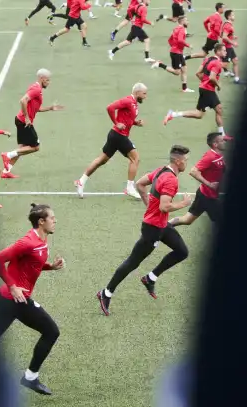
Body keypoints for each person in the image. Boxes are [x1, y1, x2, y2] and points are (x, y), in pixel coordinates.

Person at [96, 145, 193, 316]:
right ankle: (106, 293)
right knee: (133, 262)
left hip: (161, 225)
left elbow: (140, 184)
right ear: (178, 161)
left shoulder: (161, 170)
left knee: (182, 251)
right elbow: (164, 207)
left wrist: (149, 205)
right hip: (153, 229)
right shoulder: (171, 180)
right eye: (186, 160)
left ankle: (150, 278)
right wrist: (183, 204)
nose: (187, 163)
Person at [0, 204, 65, 396]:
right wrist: (13, 286)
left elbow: (33, 264)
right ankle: (30, 377)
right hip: (16, 300)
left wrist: (50, 267)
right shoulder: (27, 242)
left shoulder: (41, 240)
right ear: (41, 221)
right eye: (52, 218)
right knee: (51, 331)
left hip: (8, 298)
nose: (55, 221)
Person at [74, 83, 148, 199]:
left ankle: (81, 181)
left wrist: (135, 123)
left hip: (115, 136)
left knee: (101, 160)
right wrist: (116, 123)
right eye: (144, 93)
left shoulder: (134, 103)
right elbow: (110, 108)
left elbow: (127, 117)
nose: (145, 96)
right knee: (135, 159)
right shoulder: (128, 101)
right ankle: (129, 187)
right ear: (137, 92)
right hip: (119, 136)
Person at [0, 69, 64, 179]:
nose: (49, 82)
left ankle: (6, 171)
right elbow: (23, 101)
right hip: (24, 122)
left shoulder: (36, 88)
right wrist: (27, 118)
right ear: (42, 78)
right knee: (35, 147)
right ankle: (7, 155)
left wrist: (50, 108)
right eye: (48, 80)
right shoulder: (36, 89)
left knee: (21, 148)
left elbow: (36, 108)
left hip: (20, 120)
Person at [162, 44, 232, 140]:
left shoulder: (208, 59)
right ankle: (222, 135)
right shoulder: (217, 63)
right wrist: (218, 85)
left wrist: (204, 82)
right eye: (224, 50)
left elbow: (198, 73)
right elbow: (212, 77)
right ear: (218, 52)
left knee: (202, 114)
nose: (226, 52)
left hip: (204, 88)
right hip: (208, 90)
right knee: (216, 110)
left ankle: (173, 114)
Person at [169, 132, 225, 226]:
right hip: (209, 197)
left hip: (204, 194)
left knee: (187, 220)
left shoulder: (219, 155)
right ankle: (161, 228)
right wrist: (209, 184)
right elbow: (193, 171)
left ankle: (163, 227)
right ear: (215, 144)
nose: (225, 142)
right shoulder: (210, 157)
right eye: (222, 141)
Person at [150, 15, 195, 93]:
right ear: (182, 21)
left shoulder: (176, 28)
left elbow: (170, 40)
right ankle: (160, 64)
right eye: (186, 20)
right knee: (177, 72)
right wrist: (188, 45)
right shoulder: (182, 29)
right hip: (177, 53)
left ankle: (184, 88)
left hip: (176, 52)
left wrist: (174, 47)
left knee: (184, 69)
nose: (188, 22)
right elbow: (180, 40)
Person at [219, 9, 240, 83]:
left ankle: (237, 79)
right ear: (229, 17)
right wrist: (233, 43)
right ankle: (209, 65)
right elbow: (224, 36)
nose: (234, 16)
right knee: (224, 65)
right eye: (232, 15)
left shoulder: (227, 24)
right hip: (227, 48)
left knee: (235, 61)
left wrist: (233, 37)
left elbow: (223, 35)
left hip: (229, 47)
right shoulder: (228, 25)